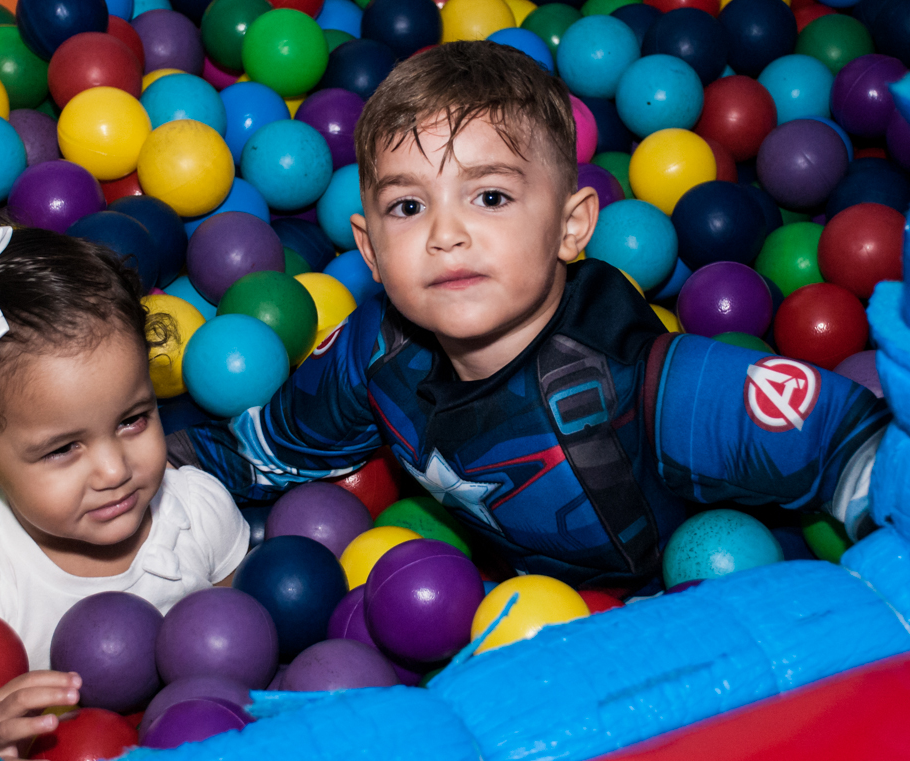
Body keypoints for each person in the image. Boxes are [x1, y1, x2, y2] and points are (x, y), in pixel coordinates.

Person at [167, 41, 889, 594]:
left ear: (573, 226)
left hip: (668, 605)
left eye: (490, 197)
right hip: (513, 610)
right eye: (408, 207)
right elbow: (278, 443)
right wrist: (154, 465)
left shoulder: (650, 388)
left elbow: (849, 445)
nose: (445, 234)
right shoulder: (376, 353)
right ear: (370, 250)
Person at [0, 223, 249, 761]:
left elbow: (244, 641)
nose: (114, 469)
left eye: (133, 420)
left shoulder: (197, 513)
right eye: (63, 449)